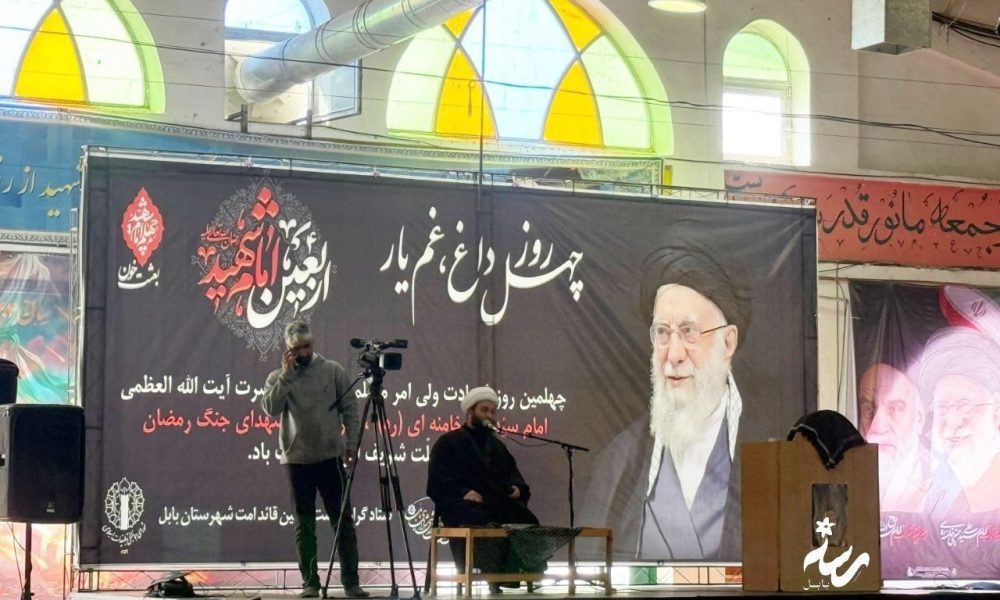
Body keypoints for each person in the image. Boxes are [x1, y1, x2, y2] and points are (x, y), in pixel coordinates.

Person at [581, 241, 750, 561]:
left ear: (727, 343)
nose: (673, 354)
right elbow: (591, 562)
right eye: (662, 332)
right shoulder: (617, 461)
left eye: (689, 331)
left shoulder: (767, 444)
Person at [262, 321, 369, 599]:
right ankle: (310, 583)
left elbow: (350, 410)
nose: (303, 353)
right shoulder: (278, 377)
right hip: (296, 461)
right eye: (297, 348)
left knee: (343, 523)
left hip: (330, 457)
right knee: (304, 525)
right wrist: (286, 377)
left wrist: (352, 445)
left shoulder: (333, 371)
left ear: (314, 343)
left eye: (307, 346)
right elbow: (270, 408)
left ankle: (351, 583)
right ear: (288, 349)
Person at [427, 386, 538, 592]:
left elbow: (512, 475)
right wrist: (463, 492)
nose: (490, 416)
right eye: (484, 410)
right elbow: (437, 480)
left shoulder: (497, 446)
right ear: (470, 411)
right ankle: (491, 575)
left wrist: (517, 489)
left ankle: (514, 575)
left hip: (495, 503)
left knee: (525, 518)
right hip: (462, 504)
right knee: (481, 521)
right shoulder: (448, 442)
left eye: (493, 411)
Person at [917, 327, 1000, 521]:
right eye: (942, 408)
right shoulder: (930, 492)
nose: (952, 423)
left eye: (965, 407)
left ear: (996, 414)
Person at [857, 363, 929, 512]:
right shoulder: (847, 472)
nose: (877, 427)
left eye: (894, 409)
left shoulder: (942, 483)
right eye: (868, 409)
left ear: (920, 417)